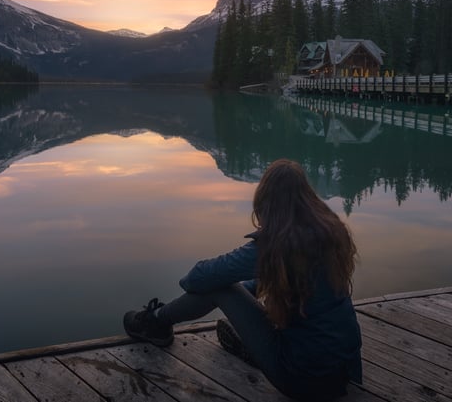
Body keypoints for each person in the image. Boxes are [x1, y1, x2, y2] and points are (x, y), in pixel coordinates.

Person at [123, 158, 362, 401]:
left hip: (303, 379)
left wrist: (220, 291)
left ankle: (155, 323)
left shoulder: (276, 245)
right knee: (229, 285)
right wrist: (243, 297)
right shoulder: (330, 232)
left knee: (220, 287)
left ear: (265, 201)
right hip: (345, 370)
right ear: (307, 196)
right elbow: (283, 284)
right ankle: (247, 344)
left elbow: (199, 277)